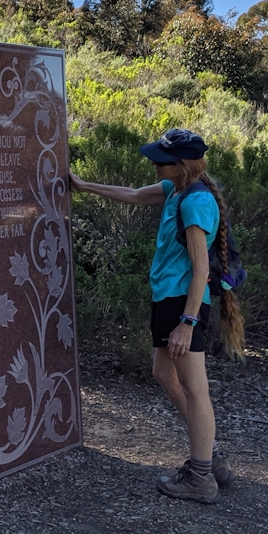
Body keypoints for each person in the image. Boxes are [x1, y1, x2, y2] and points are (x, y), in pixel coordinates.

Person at [70, 128, 245, 504]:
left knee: (196, 390)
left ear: (181, 165)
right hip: (168, 299)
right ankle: (210, 458)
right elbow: (132, 195)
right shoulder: (177, 190)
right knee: (163, 374)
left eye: (160, 161)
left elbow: (201, 271)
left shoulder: (194, 203)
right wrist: (83, 186)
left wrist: (187, 322)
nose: (153, 164)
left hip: (183, 303)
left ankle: (201, 475)